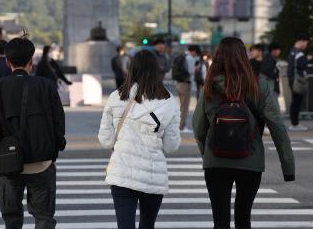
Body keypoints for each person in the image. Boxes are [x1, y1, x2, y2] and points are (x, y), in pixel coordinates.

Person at [192, 37, 295, 229]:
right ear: (244, 56)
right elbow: (278, 127)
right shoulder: (259, 85)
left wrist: (208, 152)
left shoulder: (210, 86)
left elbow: (198, 127)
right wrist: (288, 167)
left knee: (220, 221)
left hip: (216, 163)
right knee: (243, 218)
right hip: (251, 161)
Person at [0, 37, 66, 229]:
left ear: (7, 61)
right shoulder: (46, 86)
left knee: (12, 218)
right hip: (42, 162)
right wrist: (54, 148)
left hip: (9, 163)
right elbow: (58, 123)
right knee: (44, 217)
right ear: (31, 60)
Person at [98, 50, 181, 229]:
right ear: (156, 70)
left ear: (131, 69)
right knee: (147, 224)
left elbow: (105, 140)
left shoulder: (117, 96)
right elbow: (171, 145)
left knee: (125, 225)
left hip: (122, 172)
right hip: (153, 174)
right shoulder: (168, 100)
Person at [175, 45, 201, 133]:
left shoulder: (182, 56)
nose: (196, 55)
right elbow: (190, 71)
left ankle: (180, 125)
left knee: (181, 105)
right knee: (185, 106)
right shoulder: (189, 58)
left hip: (179, 83)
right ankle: (181, 126)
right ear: (193, 51)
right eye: (196, 53)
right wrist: (196, 68)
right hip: (185, 84)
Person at [287, 33, 310, 131]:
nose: (306, 45)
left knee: (295, 101)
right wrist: (307, 59)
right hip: (297, 80)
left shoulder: (292, 51)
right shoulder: (299, 53)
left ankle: (294, 123)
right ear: (301, 41)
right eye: (306, 43)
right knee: (296, 102)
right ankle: (294, 124)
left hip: (292, 79)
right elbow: (301, 65)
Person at [260, 42, 282, 110]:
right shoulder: (268, 60)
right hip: (270, 89)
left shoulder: (269, 59)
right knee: (275, 110)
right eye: (278, 50)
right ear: (273, 50)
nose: (279, 52)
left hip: (270, 89)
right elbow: (269, 73)